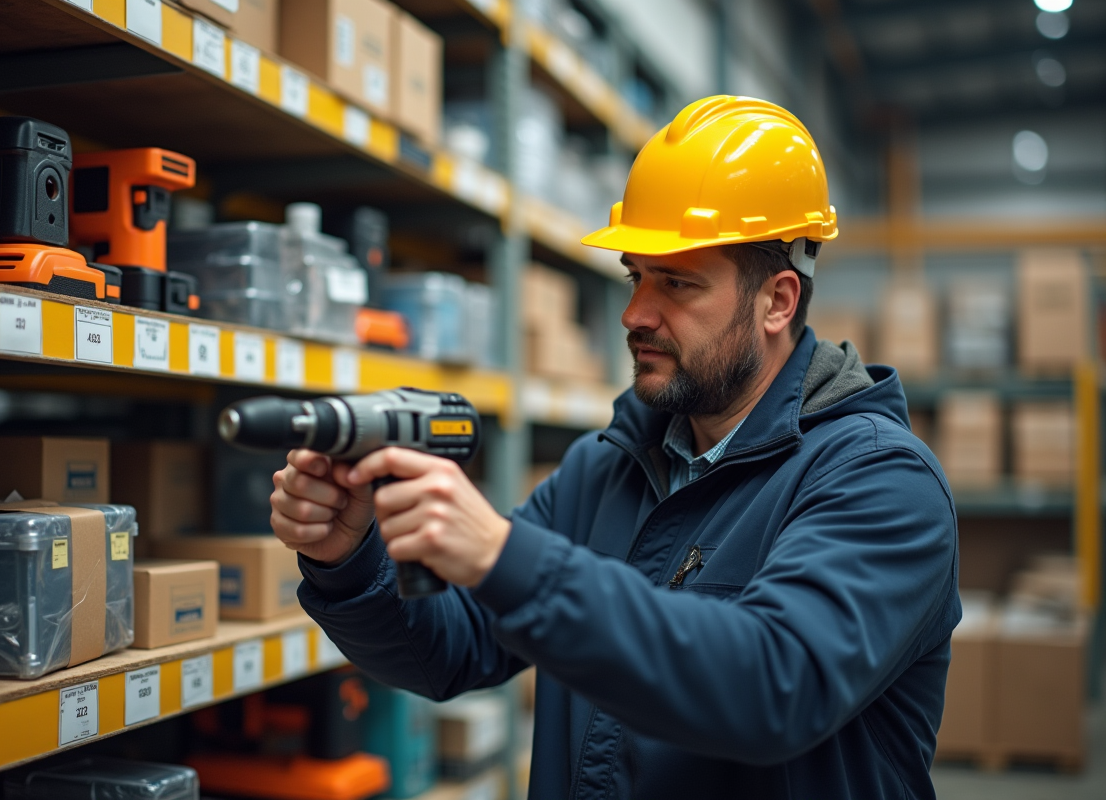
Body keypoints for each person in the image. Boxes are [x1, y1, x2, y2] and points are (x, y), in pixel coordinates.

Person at [270, 96, 959, 799]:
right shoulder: (611, 466)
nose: (635, 313)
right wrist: (349, 559)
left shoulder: (878, 480)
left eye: (678, 283)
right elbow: (449, 650)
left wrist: (510, 560)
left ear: (777, 301)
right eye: (636, 276)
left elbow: (776, 685)